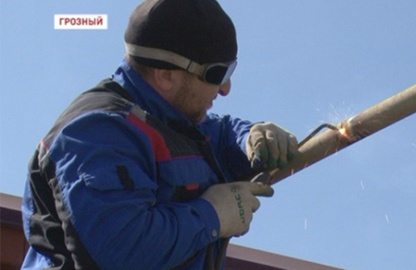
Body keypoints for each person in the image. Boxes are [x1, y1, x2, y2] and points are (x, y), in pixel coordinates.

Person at [21, 0, 298, 269]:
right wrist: (212, 216)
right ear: (166, 75)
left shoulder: (173, 119)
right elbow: (125, 249)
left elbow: (220, 133)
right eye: (216, 74)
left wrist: (250, 136)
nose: (226, 88)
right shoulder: (93, 133)